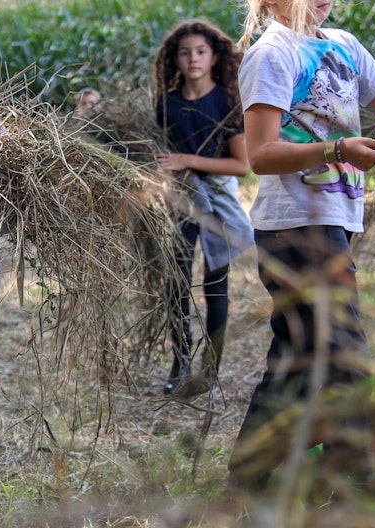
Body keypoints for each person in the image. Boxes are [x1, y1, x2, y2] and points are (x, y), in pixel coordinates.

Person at [226, 0, 375, 490]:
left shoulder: (343, 45)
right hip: (295, 227)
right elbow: (261, 155)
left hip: (333, 220)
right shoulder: (271, 54)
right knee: (345, 355)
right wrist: (338, 148)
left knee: (297, 356)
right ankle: (355, 482)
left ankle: (250, 470)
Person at [151, 19, 254, 397]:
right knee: (175, 283)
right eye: (184, 52)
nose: (192, 59)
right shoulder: (166, 104)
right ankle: (179, 364)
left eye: (200, 51)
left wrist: (185, 160)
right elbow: (159, 156)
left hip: (218, 202)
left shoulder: (228, 101)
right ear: (174, 59)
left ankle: (210, 371)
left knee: (216, 287)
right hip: (179, 201)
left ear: (214, 57)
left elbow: (241, 165)